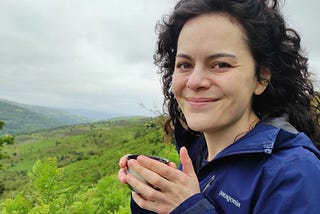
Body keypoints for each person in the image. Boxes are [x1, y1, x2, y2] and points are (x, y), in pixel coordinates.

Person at [118, 0, 320, 213]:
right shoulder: (197, 156)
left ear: (261, 78)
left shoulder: (294, 174)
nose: (195, 81)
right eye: (185, 65)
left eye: (220, 65)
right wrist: (154, 198)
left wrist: (189, 209)